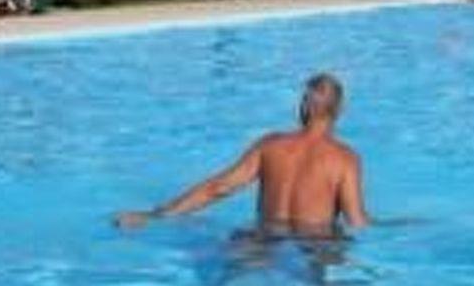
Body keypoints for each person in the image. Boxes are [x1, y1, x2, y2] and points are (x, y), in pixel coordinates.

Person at [113, 72, 371, 236]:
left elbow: (218, 188)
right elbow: (356, 221)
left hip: (265, 235)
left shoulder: (270, 145)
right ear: (339, 110)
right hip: (315, 243)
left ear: (303, 107)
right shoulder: (345, 159)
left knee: (232, 268)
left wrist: (154, 216)